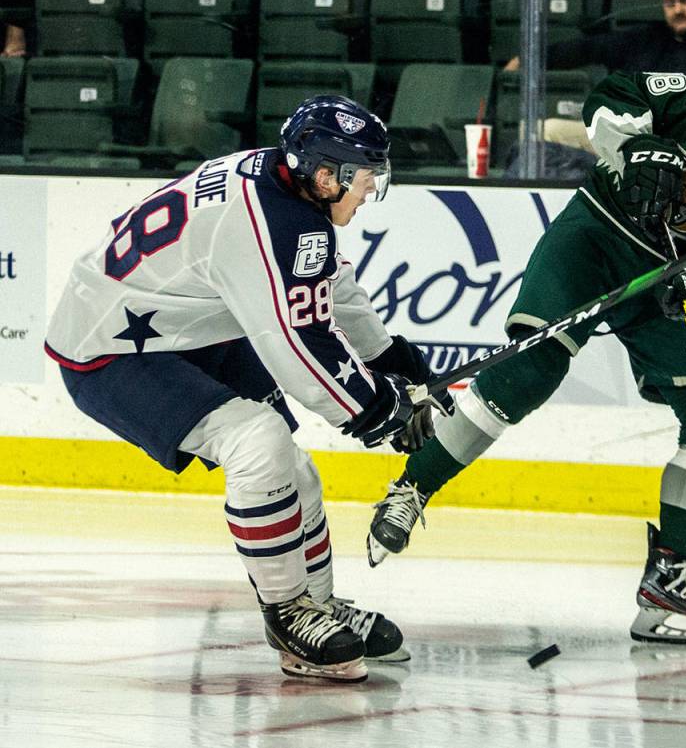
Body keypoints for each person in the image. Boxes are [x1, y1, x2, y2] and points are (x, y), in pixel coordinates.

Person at [365, 54, 686, 645]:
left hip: (667, 285)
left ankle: (669, 580)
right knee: (529, 372)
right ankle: (412, 488)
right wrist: (633, 147)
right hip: (594, 238)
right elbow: (618, 90)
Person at [44, 96, 452, 682]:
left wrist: (391, 361)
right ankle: (287, 613)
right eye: (365, 179)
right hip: (109, 345)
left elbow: (331, 291)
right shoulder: (273, 222)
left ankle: (317, 604)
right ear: (325, 174)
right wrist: (379, 409)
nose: (370, 193)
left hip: (181, 323)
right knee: (258, 442)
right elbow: (298, 349)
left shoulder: (286, 190)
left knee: (287, 461)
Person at [503, 0, 686, 83]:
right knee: (549, 130)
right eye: (670, 2)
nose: (678, 10)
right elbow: (586, 49)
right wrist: (528, 59)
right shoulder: (644, 38)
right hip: (625, 137)